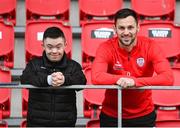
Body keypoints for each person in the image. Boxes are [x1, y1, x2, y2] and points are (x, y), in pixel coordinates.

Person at [91, 8, 174, 127]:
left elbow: (168, 78)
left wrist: (135, 82)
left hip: (143, 115)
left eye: (130, 27)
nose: (126, 32)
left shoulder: (150, 46)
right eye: (121, 28)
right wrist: (121, 79)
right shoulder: (106, 47)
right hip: (112, 115)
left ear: (138, 28)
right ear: (114, 29)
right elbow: (96, 77)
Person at [20, 26, 87, 127]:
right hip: (37, 123)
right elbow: (24, 79)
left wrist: (65, 79)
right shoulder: (34, 64)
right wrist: (48, 80)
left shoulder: (73, 66)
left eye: (58, 47)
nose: (54, 51)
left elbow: (82, 82)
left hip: (65, 123)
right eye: (50, 47)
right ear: (43, 46)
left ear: (65, 45)